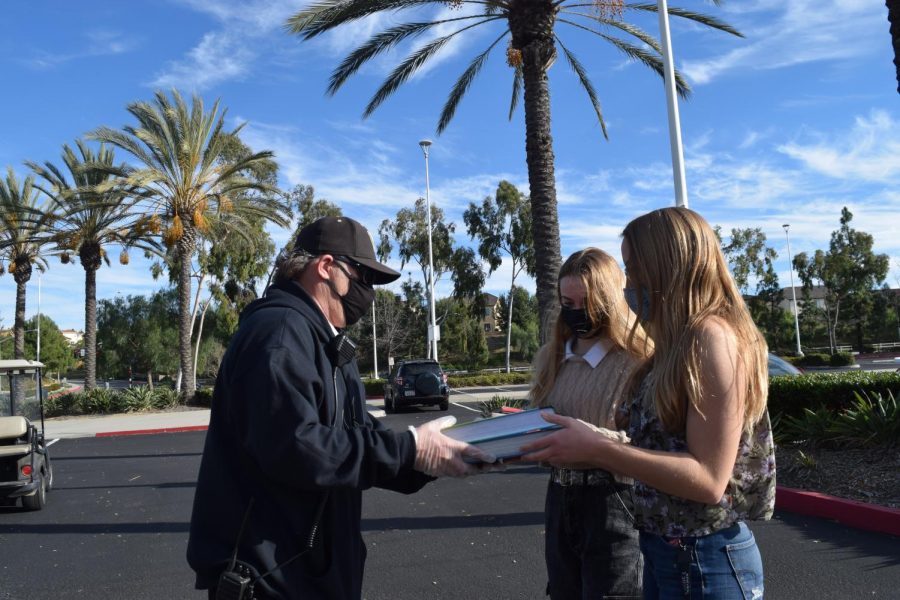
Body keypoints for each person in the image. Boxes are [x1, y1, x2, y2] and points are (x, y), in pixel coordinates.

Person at [187, 216, 492, 600]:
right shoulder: (277, 335)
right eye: (363, 277)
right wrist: (411, 449)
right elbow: (297, 449)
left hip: (313, 575)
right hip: (270, 582)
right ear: (326, 267)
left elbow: (360, 437)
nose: (369, 292)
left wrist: (439, 455)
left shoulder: (331, 348)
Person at [523, 207, 775, 599]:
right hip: (667, 552)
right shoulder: (676, 345)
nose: (630, 283)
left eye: (634, 268)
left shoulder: (712, 337)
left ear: (667, 265)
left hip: (703, 560)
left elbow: (709, 480)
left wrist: (598, 448)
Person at [528, 248, 650, 599]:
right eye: (568, 301)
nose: (576, 311)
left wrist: (590, 440)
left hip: (614, 502)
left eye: (587, 302)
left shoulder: (638, 360)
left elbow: (653, 445)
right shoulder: (555, 357)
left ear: (611, 300)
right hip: (559, 497)